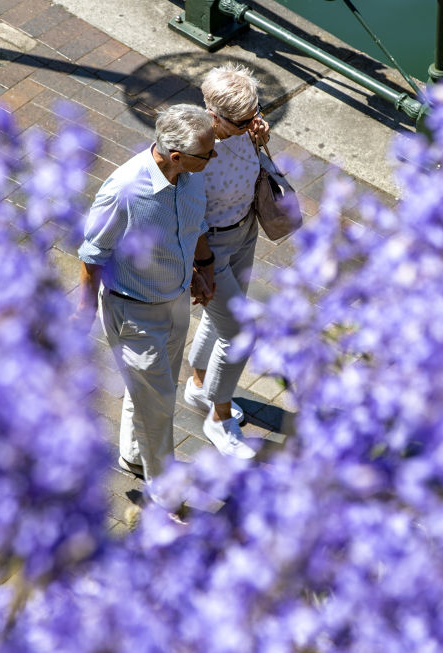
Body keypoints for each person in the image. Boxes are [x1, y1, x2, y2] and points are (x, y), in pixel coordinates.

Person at [76, 104, 218, 484]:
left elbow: (194, 223)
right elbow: (92, 255)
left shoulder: (191, 175)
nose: (214, 156)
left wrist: (202, 269)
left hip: (175, 302)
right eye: (208, 152)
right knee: (158, 412)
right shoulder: (124, 191)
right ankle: (164, 490)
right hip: (135, 315)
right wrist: (84, 313)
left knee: (156, 392)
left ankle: (133, 456)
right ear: (176, 156)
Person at [183, 63, 270, 460]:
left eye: (256, 114)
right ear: (214, 115)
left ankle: (200, 384)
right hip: (210, 249)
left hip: (244, 230)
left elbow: (252, 155)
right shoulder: (193, 145)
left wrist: (260, 134)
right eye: (243, 120)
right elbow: (189, 212)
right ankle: (218, 417)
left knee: (220, 323)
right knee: (239, 332)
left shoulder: (245, 126)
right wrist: (200, 266)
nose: (252, 123)